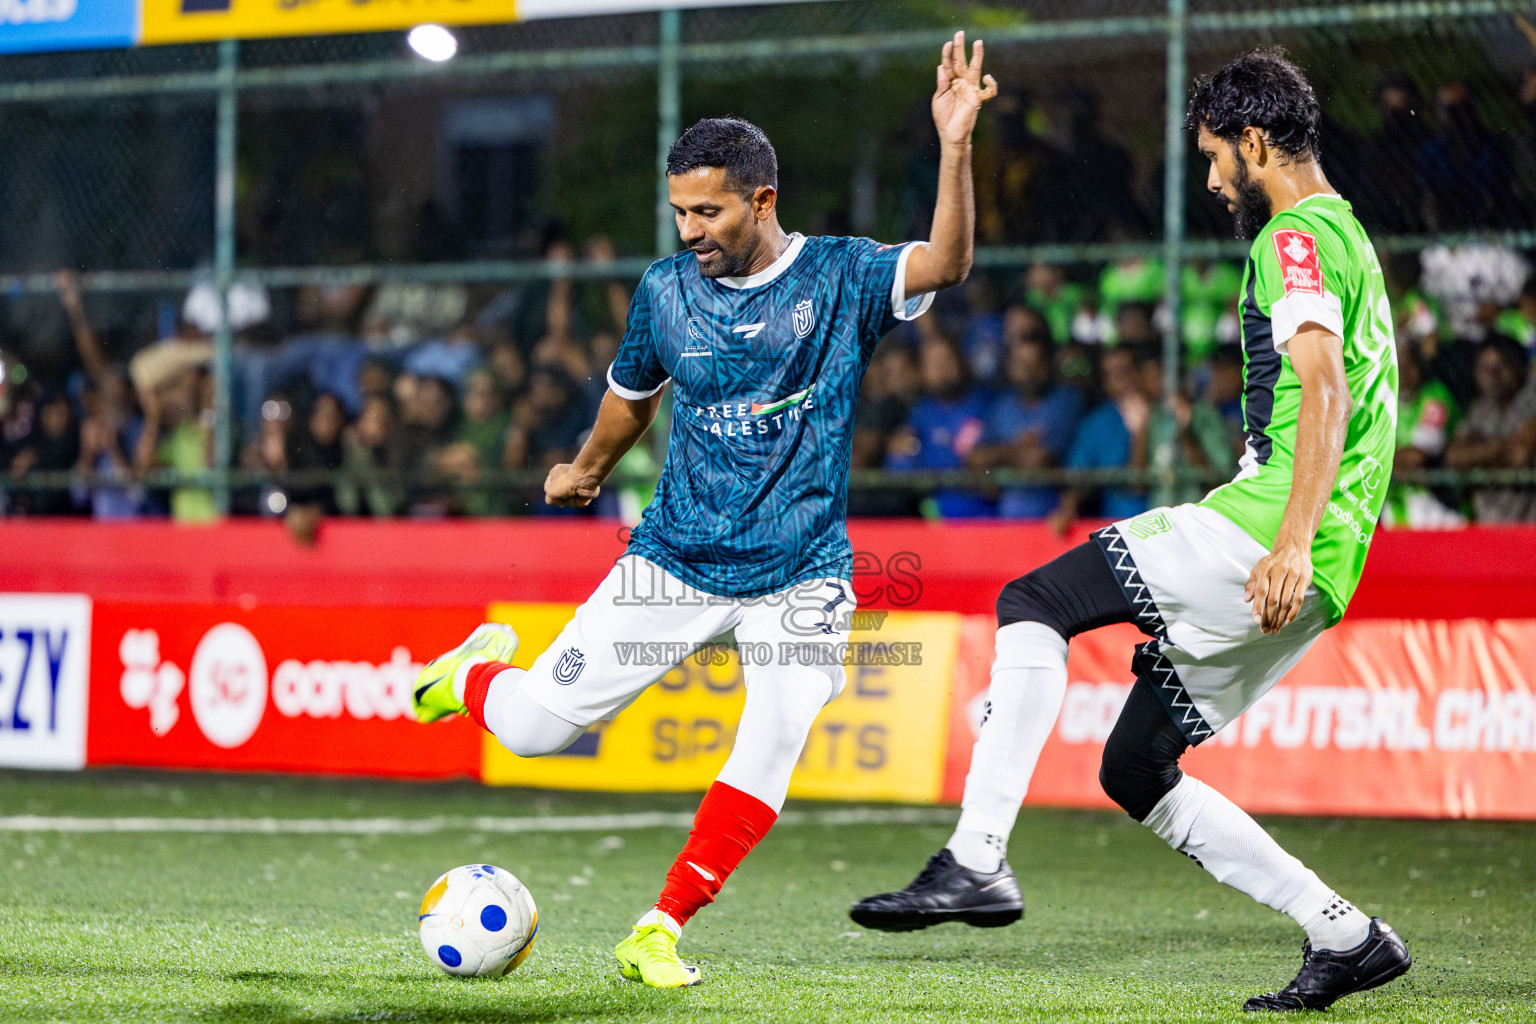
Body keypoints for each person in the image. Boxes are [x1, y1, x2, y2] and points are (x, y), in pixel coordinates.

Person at [409, 33, 996, 988]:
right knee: (532, 731)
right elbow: (631, 395)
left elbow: (948, 264)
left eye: (709, 211)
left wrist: (956, 145)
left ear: (763, 200)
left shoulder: (840, 276)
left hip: (801, 570)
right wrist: (584, 470)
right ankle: (468, 677)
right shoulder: (665, 292)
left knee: (779, 727)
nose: (691, 230)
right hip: (676, 558)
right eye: (680, 211)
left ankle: (660, 927)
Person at [851, 49, 1410, 1013]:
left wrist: (1287, 539)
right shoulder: (1348, 231)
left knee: (1035, 600)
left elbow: (1326, 390)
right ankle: (1345, 935)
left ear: (1254, 142)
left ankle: (977, 856)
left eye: (1215, 158)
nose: (1212, 181)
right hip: (1328, 561)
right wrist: (1306, 548)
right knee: (1136, 767)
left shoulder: (1295, 236)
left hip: (1271, 531)